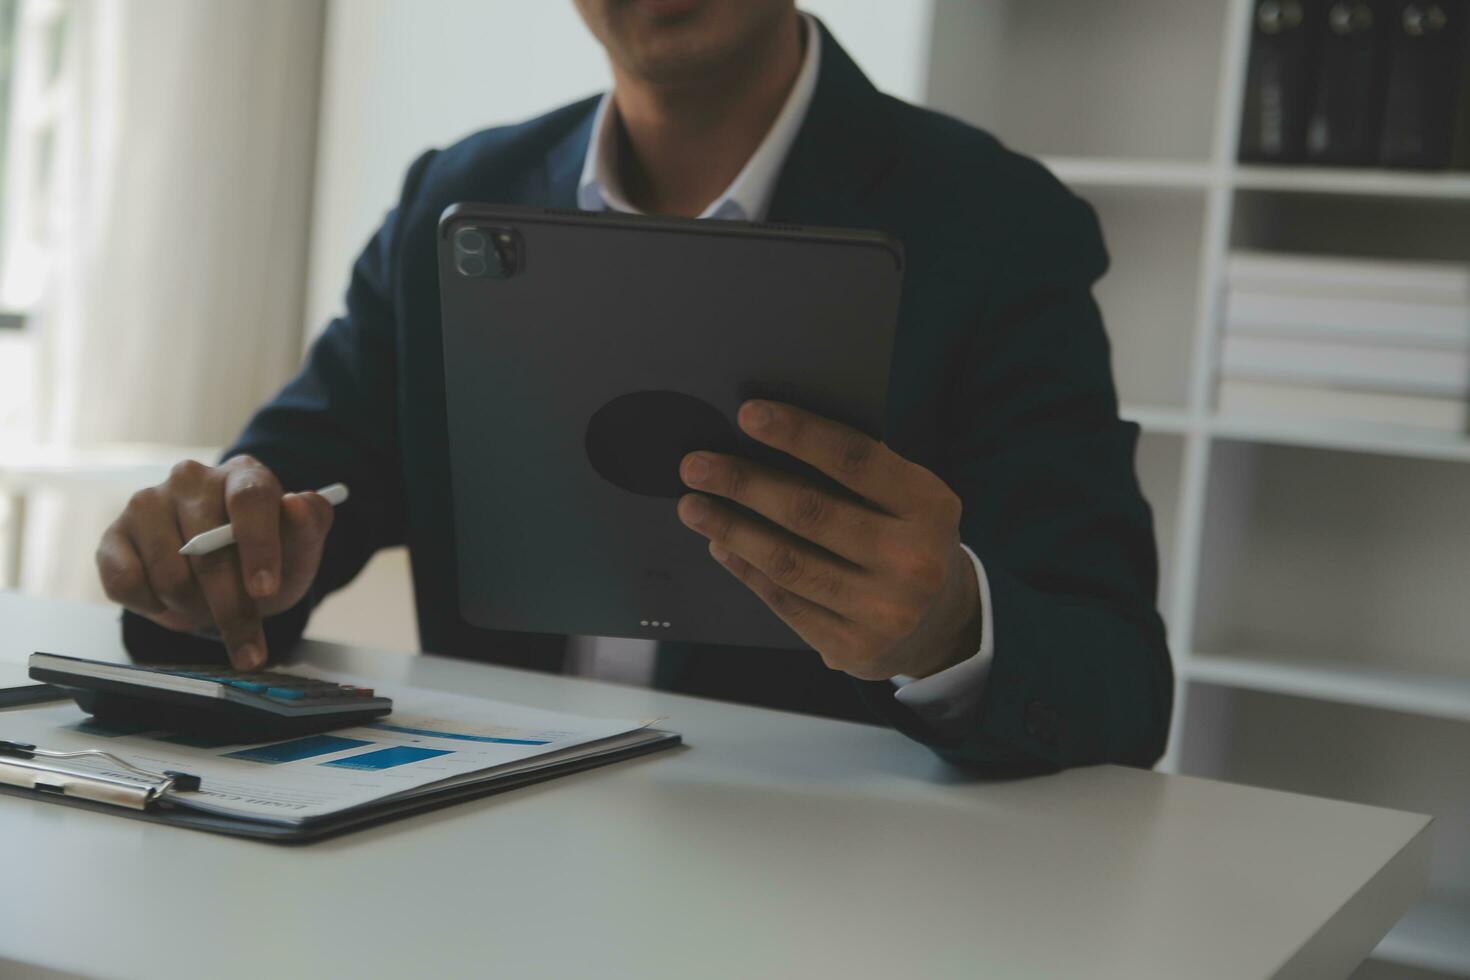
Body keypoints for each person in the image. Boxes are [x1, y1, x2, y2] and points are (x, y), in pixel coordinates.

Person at [96, 0, 1172, 775]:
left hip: (828, 897)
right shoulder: (455, 199)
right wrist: (206, 557)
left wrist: (948, 628)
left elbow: (1121, 682)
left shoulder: (997, 225)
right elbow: (274, 502)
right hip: (475, 854)